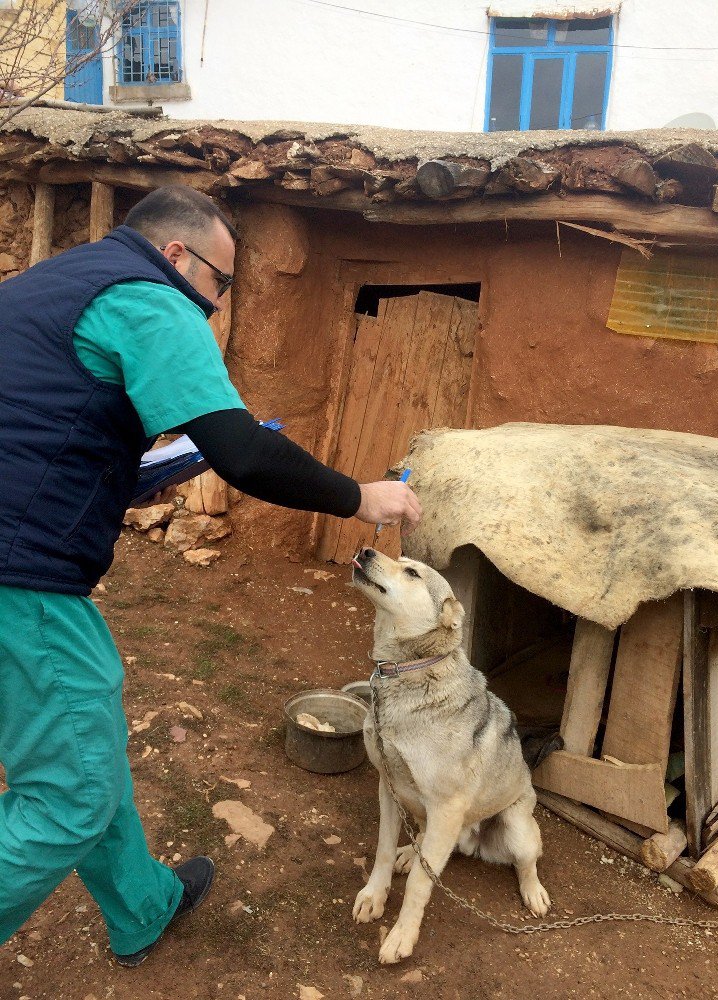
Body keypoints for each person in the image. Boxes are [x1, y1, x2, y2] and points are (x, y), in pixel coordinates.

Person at [0, 186, 422, 967]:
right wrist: (364, 497)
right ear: (176, 256)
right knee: (70, 797)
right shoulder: (150, 299)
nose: (218, 306)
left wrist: (123, 474)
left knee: (81, 751)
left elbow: (39, 435)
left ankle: (143, 906)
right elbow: (246, 452)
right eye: (221, 285)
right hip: (19, 581)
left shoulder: (48, 287)